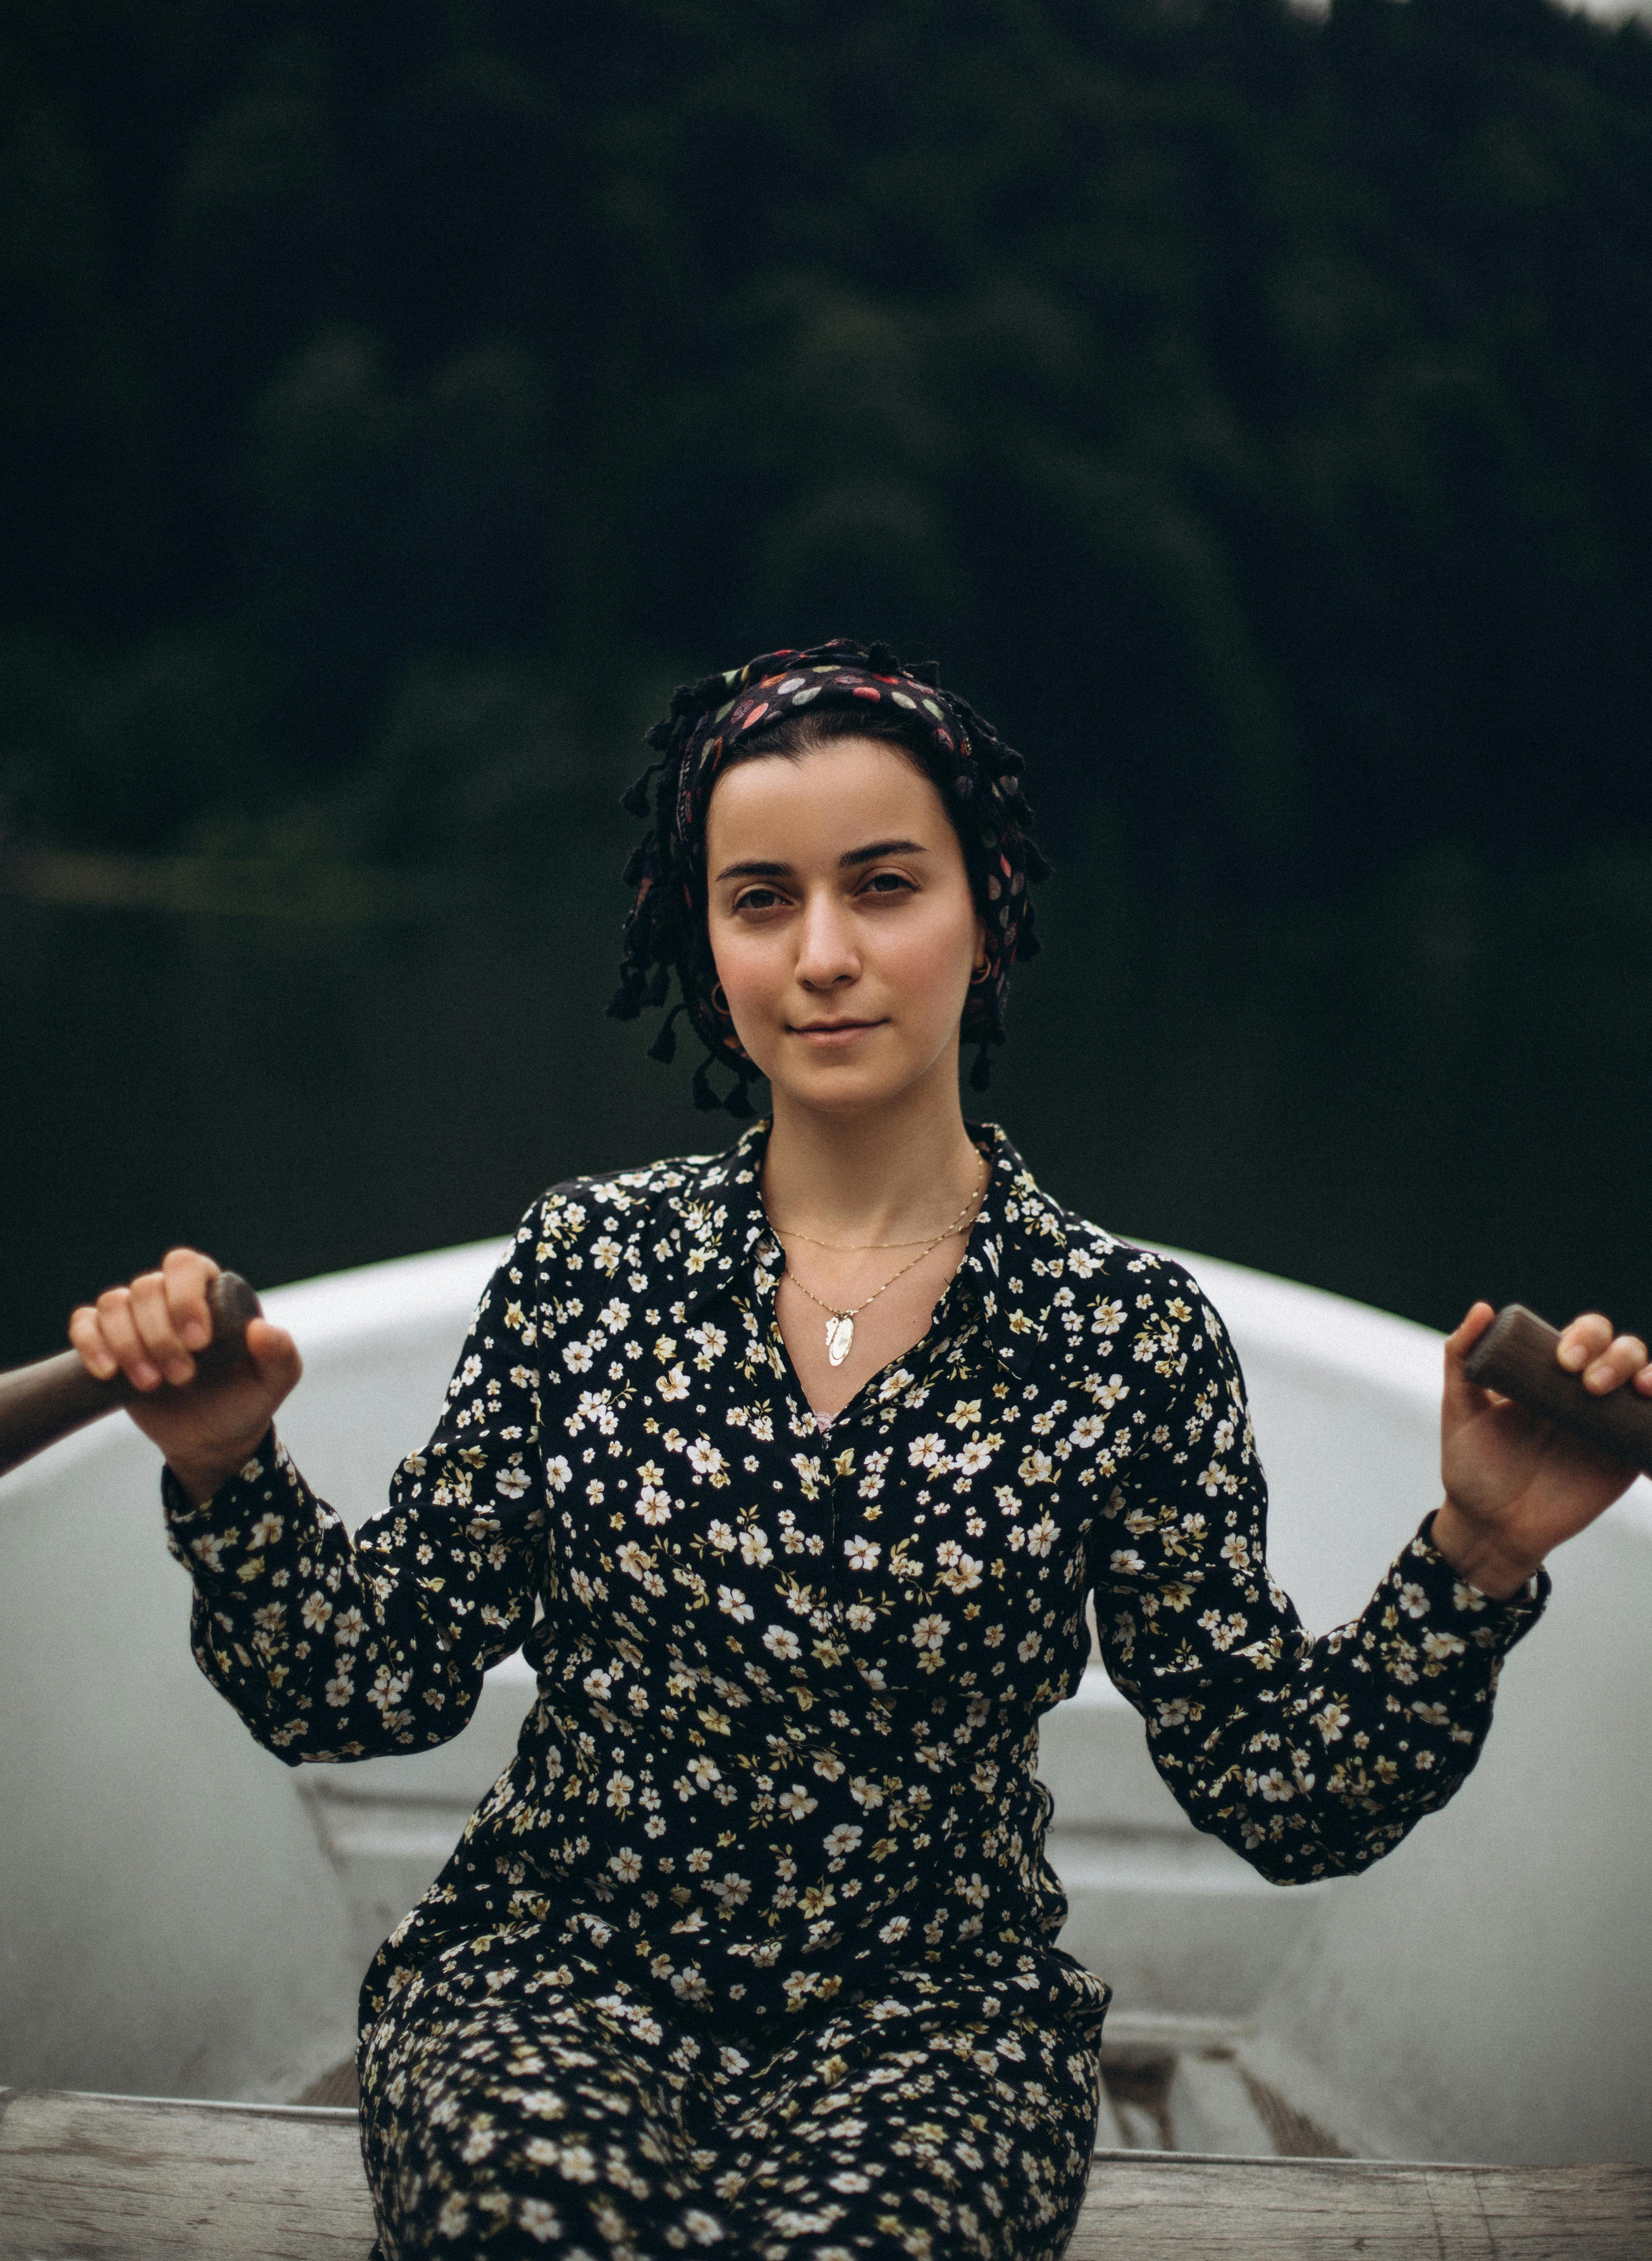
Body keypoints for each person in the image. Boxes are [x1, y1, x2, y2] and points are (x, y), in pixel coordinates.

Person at [70, 638, 1652, 2261]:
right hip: (549, 1975)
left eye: (883, 885)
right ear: (706, 940)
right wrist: (225, 1470)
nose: (823, 952)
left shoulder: (1126, 1334)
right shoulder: (584, 1273)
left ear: (989, 909)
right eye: (761, 898)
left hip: (937, 2026)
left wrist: (1481, 1551)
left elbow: (1281, 1790)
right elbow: (359, 1686)